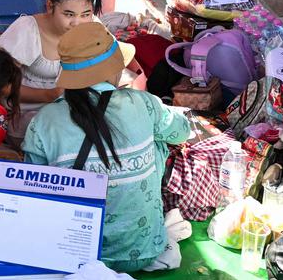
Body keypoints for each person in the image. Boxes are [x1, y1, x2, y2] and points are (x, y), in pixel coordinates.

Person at [24, 22, 189, 273]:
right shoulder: (144, 103)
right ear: (113, 67)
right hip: (145, 249)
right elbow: (181, 132)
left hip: (74, 255)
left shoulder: (44, 120)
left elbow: (32, 183)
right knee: (158, 138)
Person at [0, 0, 101, 140]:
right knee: (60, 133)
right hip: (25, 111)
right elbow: (1, 85)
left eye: (85, 14)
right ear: (50, 5)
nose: (77, 23)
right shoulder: (27, 30)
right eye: (68, 14)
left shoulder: (92, 28)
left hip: (65, 107)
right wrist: (48, 95)